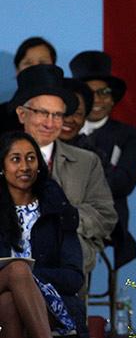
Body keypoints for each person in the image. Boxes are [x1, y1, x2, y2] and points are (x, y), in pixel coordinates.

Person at [10, 64, 117, 283]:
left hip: (66, 270)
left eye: (58, 115)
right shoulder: (2, 155)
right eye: (43, 113)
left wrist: (73, 218)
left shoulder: (86, 162)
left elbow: (106, 217)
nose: (50, 123)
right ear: (22, 114)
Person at [0, 131, 86, 337]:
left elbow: (74, 277)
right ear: (1, 167)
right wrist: (20, 275)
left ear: (39, 164)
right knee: (18, 270)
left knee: (9, 302)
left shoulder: (56, 209)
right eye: (15, 159)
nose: (24, 167)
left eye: (31, 158)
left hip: (48, 301)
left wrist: (29, 281)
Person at [70, 51, 136, 268]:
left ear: (113, 98)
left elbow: (123, 183)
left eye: (104, 92)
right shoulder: (63, 129)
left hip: (108, 217)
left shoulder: (129, 135)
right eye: (90, 93)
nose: (97, 99)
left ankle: (72, 299)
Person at [0, 37, 57, 136]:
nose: (35, 69)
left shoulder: (64, 113)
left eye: (42, 63)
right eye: (28, 63)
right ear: (17, 70)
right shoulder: (2, 115)